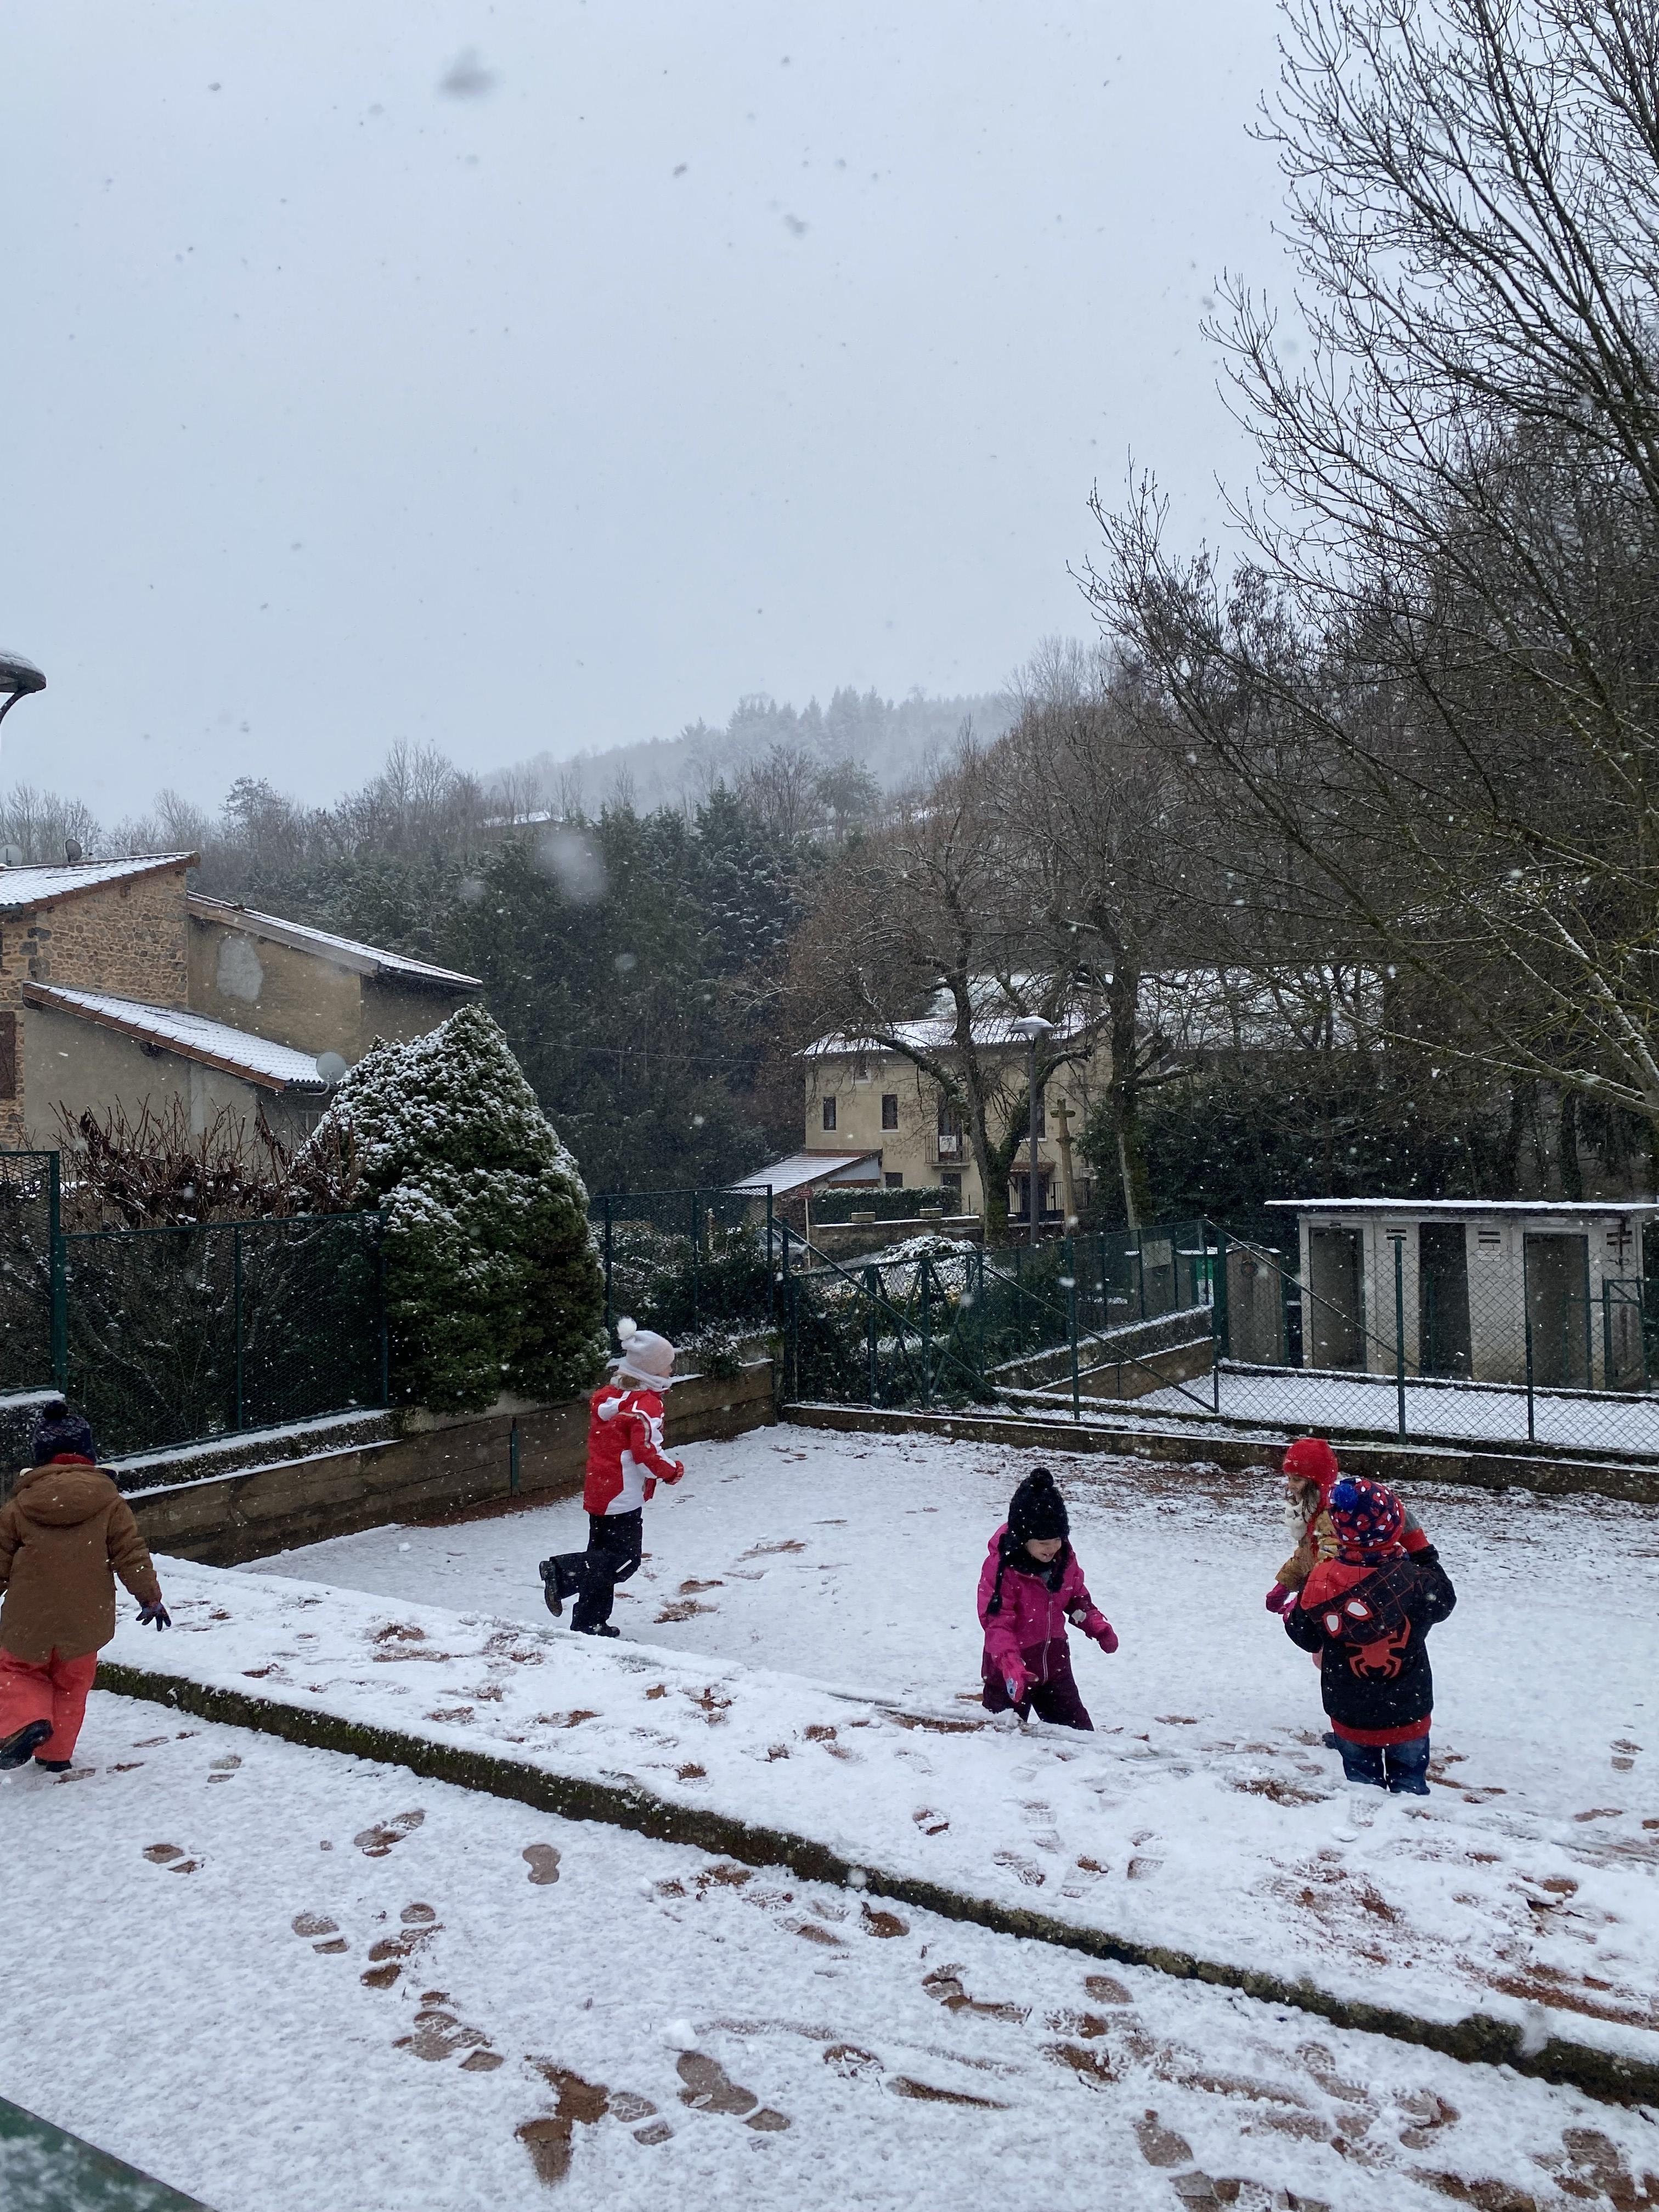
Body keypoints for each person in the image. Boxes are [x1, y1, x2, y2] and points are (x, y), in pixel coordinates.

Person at [0, 1400, 170, 1771]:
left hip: (28, 1618)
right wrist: (150, 1598)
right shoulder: (110, 1503)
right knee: (71, 1688)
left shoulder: (17, 1507)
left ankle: (25, 1724)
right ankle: (56, 1757)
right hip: (85, 1620)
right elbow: (131, 1554)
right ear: (89, 1456)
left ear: (41, 1458)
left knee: (16, 1671)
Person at [1282, 1474, 1456, 1794]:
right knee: (1410, 1789)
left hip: (1349, 1714)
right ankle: (1407, 1826)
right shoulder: (1416, 1581)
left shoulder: (1320, 1581)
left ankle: (1365, 1827)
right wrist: (1420, 1547)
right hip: (1408, 1713)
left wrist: (1293, 1613)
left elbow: (1304, 1635)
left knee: (1363, 1790)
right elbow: (1444, 1601)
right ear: (1396, 1529)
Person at [539, 1320, 685, 1638]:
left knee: (600, 1558)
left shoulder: (610, 1396)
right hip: (622, 1494)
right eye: (666, 1368)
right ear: (650, 1371)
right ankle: (562, 1572)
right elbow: (646, 1453)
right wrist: (672, 1471)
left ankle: (590, 1622)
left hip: (600, 1488)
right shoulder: (646, 1406)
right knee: (624, 1561)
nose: (670, 1373)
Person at [978, 1467, 1117, 1731]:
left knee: (1080, 1736)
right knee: (1003, 1736)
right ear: (1023, 1539)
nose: (1051, 1548)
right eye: (1042, 1542)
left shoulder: (1064, 1561)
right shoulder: (1003, 1570)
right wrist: (1011, 1665)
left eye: (1056, 1539)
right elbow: (997, 1623)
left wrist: (1097, 1626)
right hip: (1009, 1672)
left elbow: (1076, 1599)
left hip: (1054, 1666)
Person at [1264, 1436, 1432, 1615]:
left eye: (1297, 1479)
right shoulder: (1311, 1508)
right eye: (1289, 1478)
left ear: (1317, 1482)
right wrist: (1285, 1583)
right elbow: (1309, 1552)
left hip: (1337, 1604)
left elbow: (1329, 1567)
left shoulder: (1331, 1515)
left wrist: (1303, 1601)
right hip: (1323, 1597)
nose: (1291, 1485)